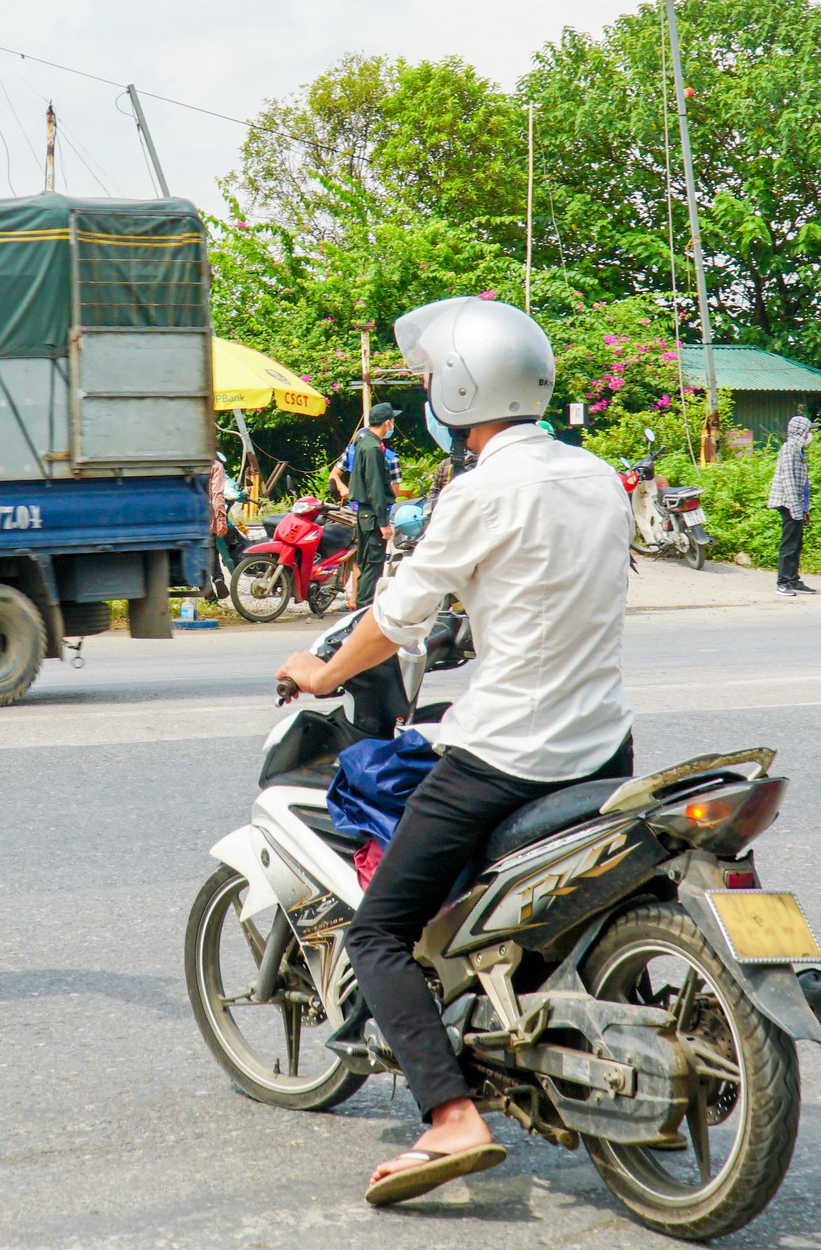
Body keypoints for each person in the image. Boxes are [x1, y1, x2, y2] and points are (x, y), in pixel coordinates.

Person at [275, 297, 635, 1208]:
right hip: (604, 750)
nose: (430, 393)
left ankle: (450, 1115)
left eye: (435, 379)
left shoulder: (478, 491)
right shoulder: (598, 477)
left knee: (380, 931)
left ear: (464, 388)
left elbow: (396, 619)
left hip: (502, 757)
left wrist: (321, 675)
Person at [347, 403, 403, 606]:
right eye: (392, 422)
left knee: (366, 561)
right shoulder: (372, 448)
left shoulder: (365, 443)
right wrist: (383, 522)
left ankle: (363, 607)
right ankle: (364, 611)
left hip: (365, 514)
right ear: (387, 423)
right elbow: (375, 487)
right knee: (373, 564)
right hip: (371, 514)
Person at [767, 413, 816, 596]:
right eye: (808, 431)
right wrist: (796, 508)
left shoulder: (798, 449)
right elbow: (788, 480)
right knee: (789, 544)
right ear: (801, 432)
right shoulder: (789, 449)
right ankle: (783, 582)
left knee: (796, 543)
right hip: (788, 503)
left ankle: (793, 580)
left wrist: (803, 509)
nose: (809, 435)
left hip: (796, 503)